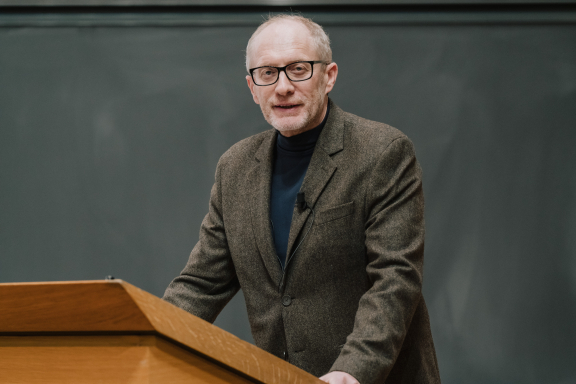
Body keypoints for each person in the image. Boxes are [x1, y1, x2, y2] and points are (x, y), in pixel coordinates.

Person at [163, 14, 440, 384]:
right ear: (252, 87)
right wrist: (145, 336)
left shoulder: (383, 152)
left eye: (298, 69)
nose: (282, 87)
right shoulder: (235, 167)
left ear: (329, 76)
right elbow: (201, 284)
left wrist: (350, 370)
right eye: (267, 73)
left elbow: (395, 279)